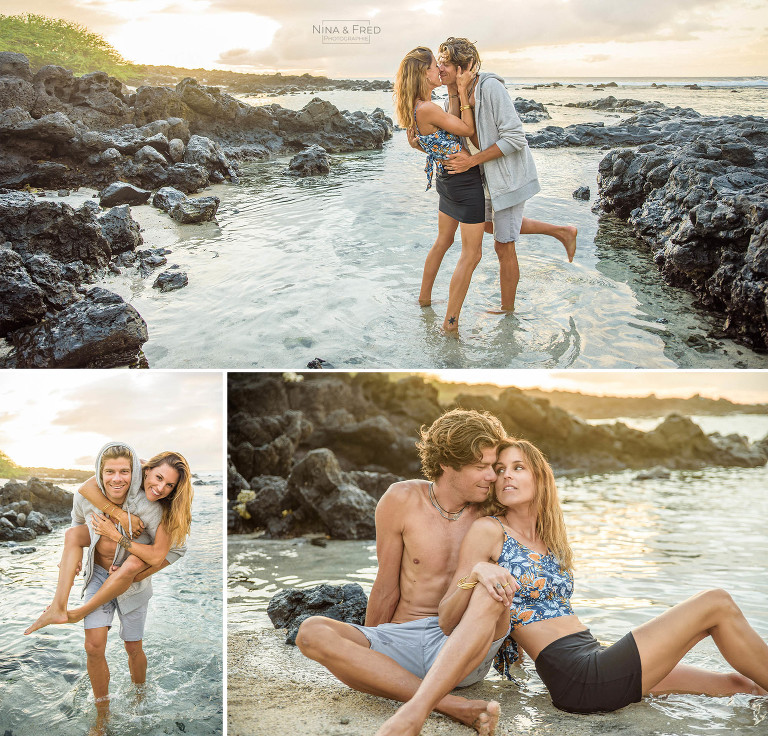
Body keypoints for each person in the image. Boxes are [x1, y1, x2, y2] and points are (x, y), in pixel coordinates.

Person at [375, 438, 768, 735]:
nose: (505, 474)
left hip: (595, 655)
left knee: (738, 684)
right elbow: (449, 616)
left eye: (518, 467)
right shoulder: (489, 530)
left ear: (539, 476)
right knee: (716, 603)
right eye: (500, 468)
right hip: (579, 677)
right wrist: (476, 571)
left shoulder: (552, 541)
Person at [296, 409, 513, 735]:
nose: (492, 477)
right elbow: (385, 586)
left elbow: (518, 582)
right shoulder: (401, 500)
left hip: (461, 647)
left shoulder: (495, 511)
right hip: (402, 639)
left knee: (488, 587)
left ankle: (418, 704)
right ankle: (453, 707)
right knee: (310, 632)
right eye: (480, 467)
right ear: (446, 463)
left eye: (492, 467)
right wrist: (370, 651)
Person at [24, 443, 193, 733]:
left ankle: (139, 696)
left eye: (169, 484)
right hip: (100, 575)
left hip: (134, 582)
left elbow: (167, 552)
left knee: (133, 646)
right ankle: (102, 715)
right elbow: (82, 509)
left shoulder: (157, 509)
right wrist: (73, 557)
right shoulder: (104, 486)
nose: (161, 486)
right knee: (92, 646)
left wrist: (120, 535)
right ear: (146, 470)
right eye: (158, 478)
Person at [416, 37, 578, 313]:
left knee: (503, 245)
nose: (440, 69)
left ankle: (508, 313)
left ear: (465, 66)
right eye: (438, 64)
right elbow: (456, 136)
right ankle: (561, 231)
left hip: (507, 177)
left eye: (445, 64)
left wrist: (472, 161)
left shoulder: (490, 88)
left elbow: (515, 138)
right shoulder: (449, 97)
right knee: (489, 227)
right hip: (482, 178)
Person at [394, 47, 485, 334]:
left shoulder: (416, 106)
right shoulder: (429, 108)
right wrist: (461, 89)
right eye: (435, 66)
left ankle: (424, 301)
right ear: (423, 73)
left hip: (446, 179)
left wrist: (455, 96)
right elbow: (467, 130)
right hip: (464, 181)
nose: (439, 70)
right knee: (472, 255)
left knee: (443, 242)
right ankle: (451, 325)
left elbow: (425, 139)